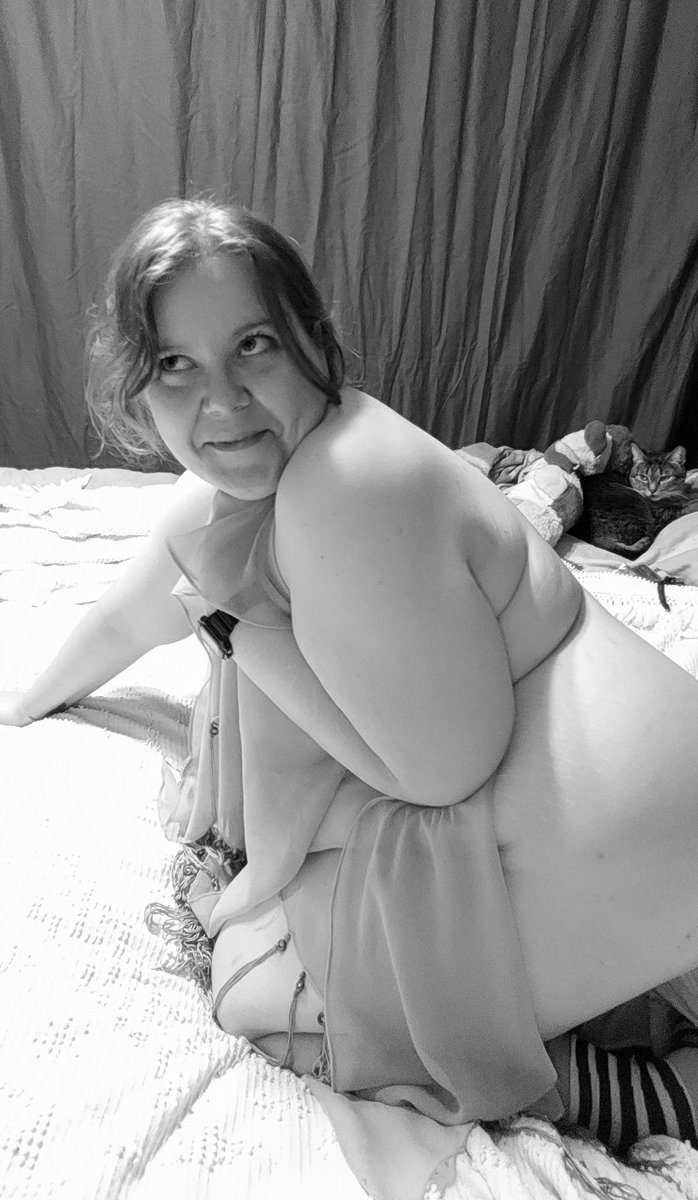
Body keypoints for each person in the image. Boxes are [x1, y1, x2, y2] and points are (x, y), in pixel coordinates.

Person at [3, 198, 698, 1158]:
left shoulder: (341, 483)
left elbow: (443, 769)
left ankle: (641, 1088)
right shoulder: (239, 480)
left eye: (253, 345)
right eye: (174, 364)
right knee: (262, 928)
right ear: (138, 389)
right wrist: (20, 705)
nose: (222, 400)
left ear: (314, 342)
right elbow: (132, 612)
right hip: (609, 805)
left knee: (265, 1000)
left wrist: (243, 635)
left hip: (632, 828)